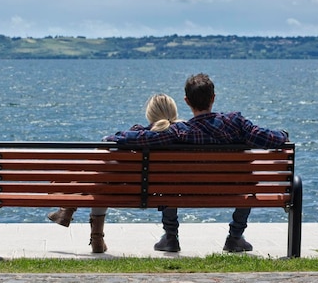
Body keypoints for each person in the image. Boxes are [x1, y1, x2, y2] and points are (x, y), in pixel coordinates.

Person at [104, 73, 289, 253]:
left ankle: (170, 237)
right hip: (231, 191)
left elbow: (142, 138)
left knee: (168, 179)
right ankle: (235, 237)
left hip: (185, 191)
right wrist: (283, 134)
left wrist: (115, 136)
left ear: (186, 101)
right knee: (247, 182)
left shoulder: (179, 131)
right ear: (213, 98)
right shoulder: (235, 123)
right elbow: (269, 138)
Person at [47, 93, 180, 253]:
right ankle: (70, 210)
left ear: (150, 114)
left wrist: (112, 139)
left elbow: (108, 140)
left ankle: (75, 215)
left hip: (127, 189)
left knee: (104, 170)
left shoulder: (138, 135)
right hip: (165, 192)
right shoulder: (182, 135)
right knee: (105, 171)